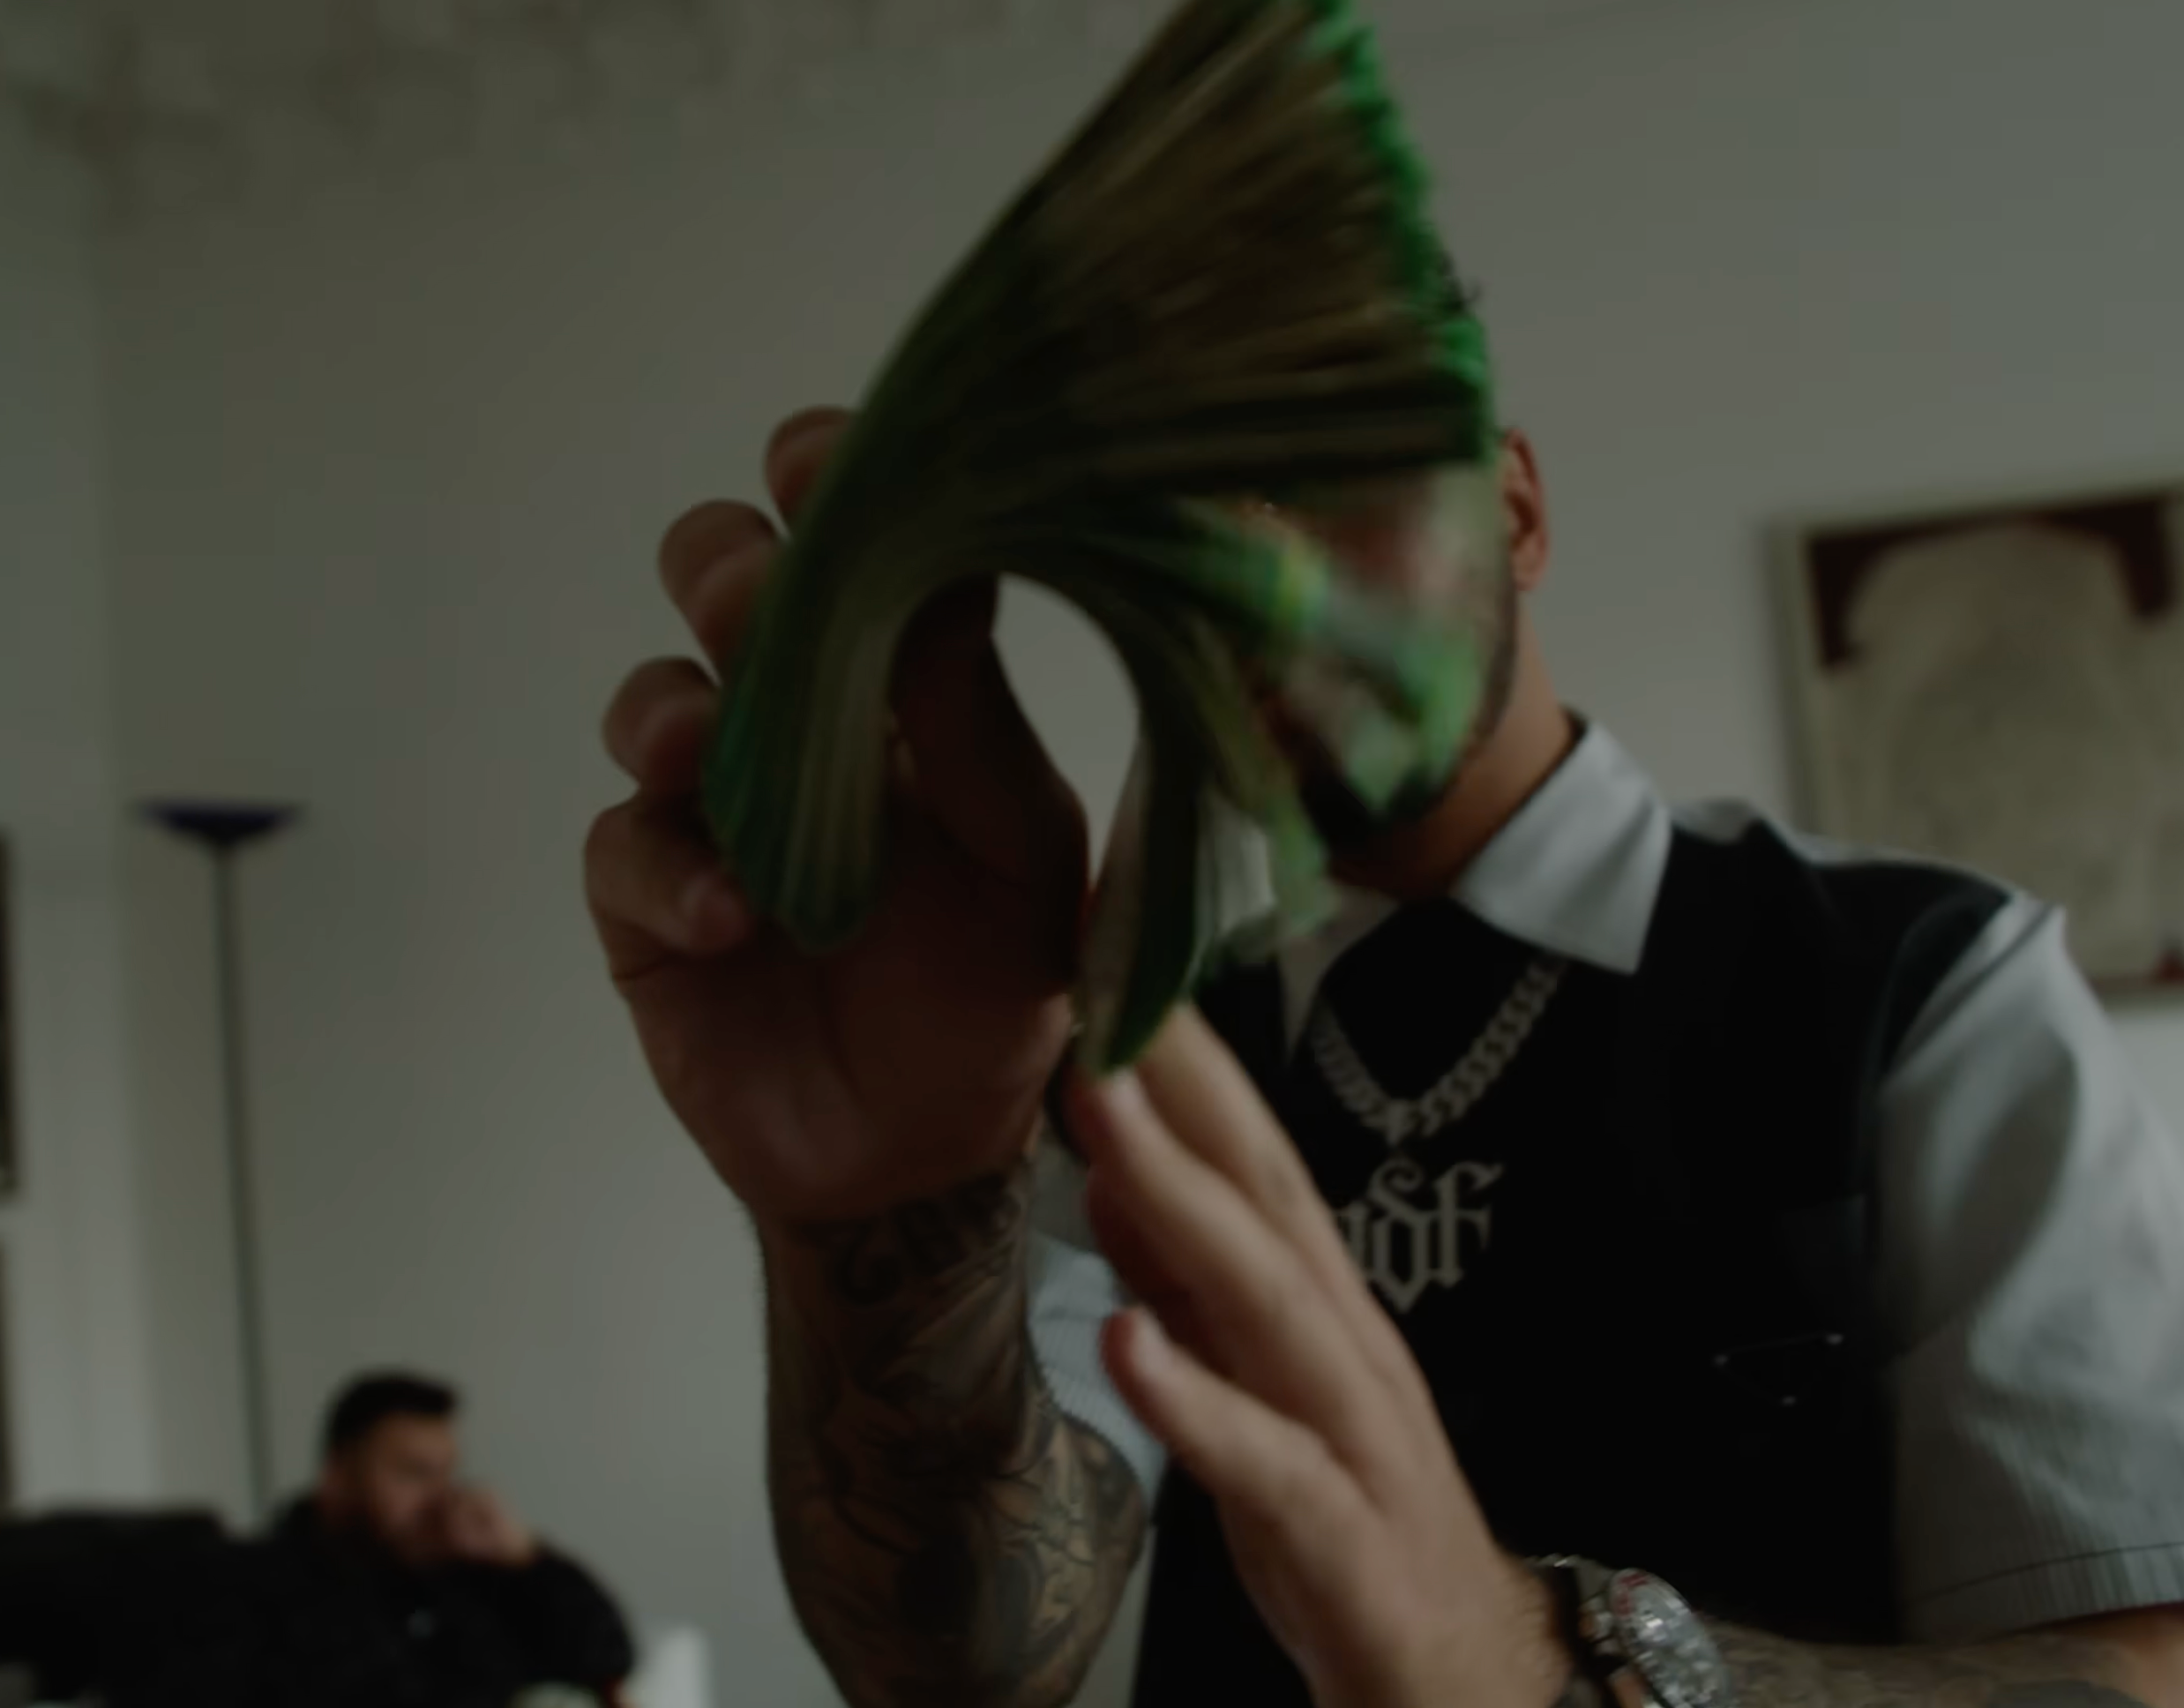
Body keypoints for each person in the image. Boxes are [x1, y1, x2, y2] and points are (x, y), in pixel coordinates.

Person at [586, 408, 2184, 1708]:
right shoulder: (1124, 1041)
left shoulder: (1926, 983)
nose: (1257, 566)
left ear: (1516, 507)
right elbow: (966, 1661)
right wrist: (889, 1231)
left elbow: (2140, 1676)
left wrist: (1534, 1671)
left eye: (1329, 460)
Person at [0, 1372, 634, 1707]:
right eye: (413, 1474)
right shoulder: (248, 1584)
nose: (440, 1498)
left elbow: (608, 1652)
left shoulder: (465, 1587)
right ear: (337, 1477)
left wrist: (523, 1555)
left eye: (447, 1475)